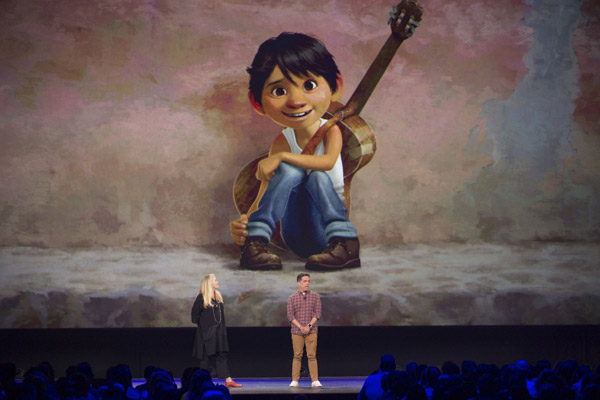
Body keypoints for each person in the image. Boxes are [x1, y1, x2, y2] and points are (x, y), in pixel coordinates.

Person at [230, 32, 361, 271]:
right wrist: (245, 224)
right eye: (279, 91)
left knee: (317, 176)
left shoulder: (330, 130)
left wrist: (282, 157)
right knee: (289, 173)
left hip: (326, 233)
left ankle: (346, 242)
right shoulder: (283, 141)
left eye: (309, 85)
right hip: (294, 234)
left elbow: (327, 162)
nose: (296, 101)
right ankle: (256, 241)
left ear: (336, 87)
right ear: (257, 102)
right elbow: (265, 193)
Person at [191, 274, 242, 388]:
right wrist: (205, 327)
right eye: (215, 280)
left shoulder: (218, 297)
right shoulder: (201, 298)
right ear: (209, 283)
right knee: (205, 358)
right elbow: (194, 317)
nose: (217, 282)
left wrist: (222, 331)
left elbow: (221, 317)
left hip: (219, 332)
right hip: (206, 334)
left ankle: (228, 379)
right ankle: (202, 381)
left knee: (222, 355)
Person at [287, 273, 322, 388]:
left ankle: (315, 380)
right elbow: (290, 316)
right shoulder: (292, 298)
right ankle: (295, 380)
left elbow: (317, 314)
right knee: (297, 355)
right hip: (297, 331)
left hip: (311, 331)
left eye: (308, 281)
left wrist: (308, 326)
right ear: (299, 283)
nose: (307, 283)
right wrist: (301, 327)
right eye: (305, 281)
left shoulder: (315, 297)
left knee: (312, 355)